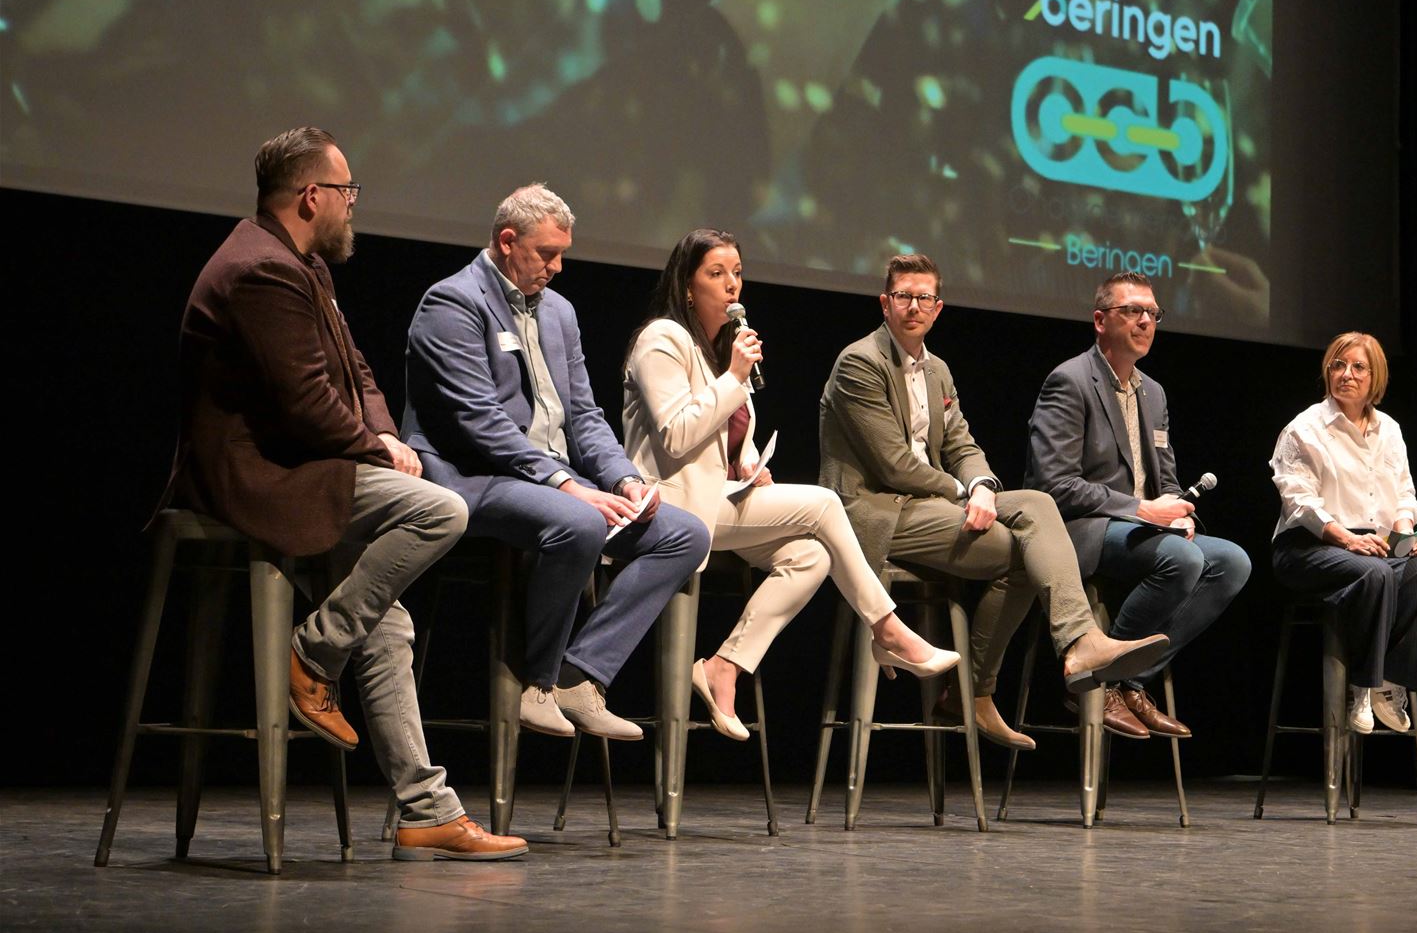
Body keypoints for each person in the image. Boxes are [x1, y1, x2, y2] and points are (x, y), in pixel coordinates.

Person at [175, 127, 524, 860]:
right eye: (347, 191)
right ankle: (313, 651)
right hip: (256, 474)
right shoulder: (260, 269)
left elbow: (356, 372)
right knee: (442, 510)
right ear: (312, 196)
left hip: (302, 465)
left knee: (387, 620)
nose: (353, 204)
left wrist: (387, 438)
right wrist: (376, 450)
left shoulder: (303, 266)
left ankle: (425, 810)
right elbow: (304, 403)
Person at [819, 253, 1168, 750]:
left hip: (929, 504)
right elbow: (893, 464)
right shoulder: (860, 362)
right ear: (885, 303)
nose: (914, 307)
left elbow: (962, 444)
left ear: (938, 308)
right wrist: (964, 492)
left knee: (1037, 508)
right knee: (1027, 550)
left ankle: (1070, 648)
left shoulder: (937, 370)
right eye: (903, 296)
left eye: (924, 298)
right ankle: (981, 689)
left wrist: (982, 483)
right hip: (877, 510)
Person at [623, 229, 957, 740]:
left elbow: (728, 440)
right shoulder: (662, 339)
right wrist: (734, 378)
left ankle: (724, 667)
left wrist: (750, 466)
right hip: (673, 507)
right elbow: (676, 435)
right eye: (717, 273)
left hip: (720, 500)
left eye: (737, 273)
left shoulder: (718, 350)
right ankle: (888, 629)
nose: (732, 285)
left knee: (811, 555)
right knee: (823, 504)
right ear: (687, 286)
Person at [403, 184, 709, 741]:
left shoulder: (559, 312)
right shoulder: (452, 302)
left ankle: (580, 675)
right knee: (582, 520)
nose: (557, 267)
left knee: (684, 534)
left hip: (552, 481)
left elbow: (584, 416)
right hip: (472, 475)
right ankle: (538, 683)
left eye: (562, 254)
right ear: (507, 241)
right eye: (546, 253)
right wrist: (568, 484)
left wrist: (625, 479)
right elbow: (481, 423)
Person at [1024, 272, 1250, 739]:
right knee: (1182, 560)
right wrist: (1141, 510)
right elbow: (1053, 485)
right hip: (1084, 529)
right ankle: (1097, 676)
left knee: (1232, 562)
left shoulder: (1153, 392)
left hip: (1145, 531)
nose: (1145, 321)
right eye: (1132, 311)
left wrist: (1182, 512)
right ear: (1100, 320)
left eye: (1152, 313)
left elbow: (1166, 479)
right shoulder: (1069, 381)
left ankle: (1126, 681)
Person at [1270, 332, 1417, 734]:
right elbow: (1298, 502)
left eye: (1358, 367)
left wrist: (1406, 534)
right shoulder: (1305, 428)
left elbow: (1404, 494)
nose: (1346, 374)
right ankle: (1360, 685)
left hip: (1372, 545)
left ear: (1374, 376)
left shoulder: (1389, 430)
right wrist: (1347, 539)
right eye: (1338, 365)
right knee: (1375, 573)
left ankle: (1389, 683)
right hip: (1308, 545)